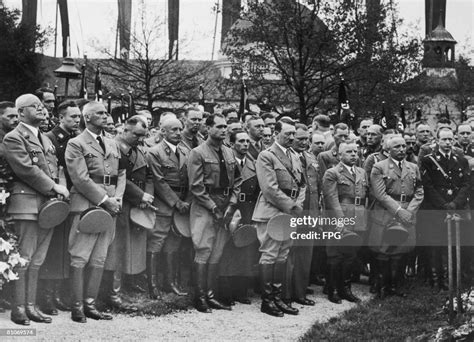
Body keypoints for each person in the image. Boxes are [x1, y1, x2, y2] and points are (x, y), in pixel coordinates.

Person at [4, 94, 70, 325]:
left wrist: (57, 188)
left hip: (48, 205)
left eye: (42, 106)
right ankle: (19, 308)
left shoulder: (44, 138)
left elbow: (55, 167)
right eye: (35, 106)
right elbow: (26, 170)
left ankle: (31, 306)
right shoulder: (14, 137)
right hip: (27, 204)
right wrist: (54, 187)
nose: (42, 110)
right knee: (24, 258)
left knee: (38, 259)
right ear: (21, 112)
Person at [65, 101, 126, 323]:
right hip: (87, 205)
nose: (105, 116)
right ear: (87, 117)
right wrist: (104, 200)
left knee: (100, 257)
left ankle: (91, 304)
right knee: (80, 256)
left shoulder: (112, 143)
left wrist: (117, 197)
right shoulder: (76, 143)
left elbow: (121, 173)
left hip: (110, 205)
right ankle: (77, 306)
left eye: (106, 112)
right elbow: (80, 178)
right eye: (99, 113)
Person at [187, 113, 242, 313]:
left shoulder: (228, 153)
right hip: (205, 207)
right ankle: (200, 296)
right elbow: (196, 186)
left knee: (217, 251)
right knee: (203, 249)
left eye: (225, 126)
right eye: (218, 126)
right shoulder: (197, 152)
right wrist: (214, 208)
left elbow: (237, 181)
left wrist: (231, 205)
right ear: (208, 128)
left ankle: (211, 295)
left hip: (225, 207)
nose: (223, 129)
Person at [252, 119, 305, 317]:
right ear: (276, 133)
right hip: (271, 212)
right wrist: (292, 207)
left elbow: (301, 184)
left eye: (293, 134)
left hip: (289, 212)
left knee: (283, 254)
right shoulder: (267, 156)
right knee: (270, 254)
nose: (292, 137)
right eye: (287, 134)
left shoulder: (294, 155)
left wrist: (297, 203)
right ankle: (267, 301)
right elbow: (269, 189)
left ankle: (278, 297)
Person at [102, 116, 151, 312]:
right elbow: (120, 177)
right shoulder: (114, 147)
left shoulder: (137, 149)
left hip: (134, 204)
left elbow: (147, 176)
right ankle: (112, 293)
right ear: (124, 129)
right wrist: (140, 195)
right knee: (116, 249)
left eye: (143, 135)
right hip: (120, 202)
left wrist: (144, 197)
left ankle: (119, 289)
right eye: (136, 134)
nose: (140, 139)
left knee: (126, 249)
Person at [39, 100, 81, 316]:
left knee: (65, 244)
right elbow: (52, 168)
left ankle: (58, 293)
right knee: (54, 245)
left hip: (73, 195)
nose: (77, 120)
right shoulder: (51, 139)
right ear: (60, 117)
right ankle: (46, 295)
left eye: (78, 116)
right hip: (58, 194)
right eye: (73, 116)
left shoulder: (76, 138)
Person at [369, 136, 424, 298]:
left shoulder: (413, 167)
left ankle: (396, 285)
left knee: (401, 249)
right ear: (388, 150)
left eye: (403, 146)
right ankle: (382, 285)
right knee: (384, 250)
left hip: (407, 212)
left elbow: (419, 191)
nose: (401, 149)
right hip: (387, 212)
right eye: (397, 147)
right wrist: (400, 211)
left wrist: (410, 211)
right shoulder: (379, 167)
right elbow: (380, 194)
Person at [419, 128, 470, 291]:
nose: (448, 143)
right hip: (435, 208)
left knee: (454, 243)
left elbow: (465, 184)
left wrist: (455, 204)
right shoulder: (428, 160)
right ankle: (436, 279)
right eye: (444, 140)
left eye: (450, 140)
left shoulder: (461, 160)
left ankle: (450, 279)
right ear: (437, 140)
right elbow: (428, 186)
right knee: (435, 243)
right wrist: (443, 205)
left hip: (455, 207)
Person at [146, 117, 190, 298]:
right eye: (174, 130)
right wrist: (176, 202)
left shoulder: (185, 152)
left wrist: (185, 201)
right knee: (157, 242)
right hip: (163, 205)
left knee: (174, 243)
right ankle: (152, 284)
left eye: (180, 129)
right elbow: (159, 181)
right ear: (162, 131)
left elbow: (190, 180)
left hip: (182, 205)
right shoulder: (155, 153)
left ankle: (170, 283)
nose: (178, 133)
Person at [322, 142, 368, 304]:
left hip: (358, 215)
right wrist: (340, 218)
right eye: (349, 152)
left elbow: (365, 195)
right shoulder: (332, 173)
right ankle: (333, 288)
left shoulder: (362, 172)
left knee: (351, 254)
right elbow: (331, 198)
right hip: (340, 215)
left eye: (356, 152)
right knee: (335, 254)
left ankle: (346, 288)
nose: (354, 155)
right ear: (339, 155)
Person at [219, 130, 260, 305]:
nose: (245, 144)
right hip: (229, 206)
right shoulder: (226, 162)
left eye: (247, 141)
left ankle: (241, 290)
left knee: (245, 249)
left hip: (248, 208)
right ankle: (225, 290)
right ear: (232, 143)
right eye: (241, 141)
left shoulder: (254, 164)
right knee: (226, 249)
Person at [285, 124, 320, 306]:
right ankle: (286, 294)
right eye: (300, 139)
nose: (304, 142)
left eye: (307, 139)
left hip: (310, 212)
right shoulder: (285, 157)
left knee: (305, 254)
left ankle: (300, 293)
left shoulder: (311, 158)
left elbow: (317, 189)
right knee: (288, 253)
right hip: (292, 211)